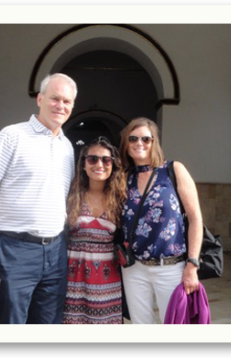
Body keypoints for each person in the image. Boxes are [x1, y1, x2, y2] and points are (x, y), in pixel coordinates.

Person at [0, 73, 77, 324]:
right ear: (40, 99)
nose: (61, 106)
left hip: (56, 252)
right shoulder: (12, 136)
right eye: (54, 98)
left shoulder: (67, 147)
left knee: (48, 326)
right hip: (15, 251)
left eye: (67, 101)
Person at [118, 117, 203, 324]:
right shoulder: (123, 177)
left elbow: (195, 219)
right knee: (141, 326)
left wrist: (192, 264)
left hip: (170, 266)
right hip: (133, 268)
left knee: (174, 325)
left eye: (146, 139)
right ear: (126, 144)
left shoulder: (173, 171)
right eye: (133, 138)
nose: (140, 143)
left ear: (154, 142)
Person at [62, 136, 126, 324]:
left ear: (113, 165)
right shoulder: (70, 195)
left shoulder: (120, 198)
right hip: (72, 276)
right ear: (83, 164)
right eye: (93, 159)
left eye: (106, 160)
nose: (100, 164)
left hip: (107, 278)